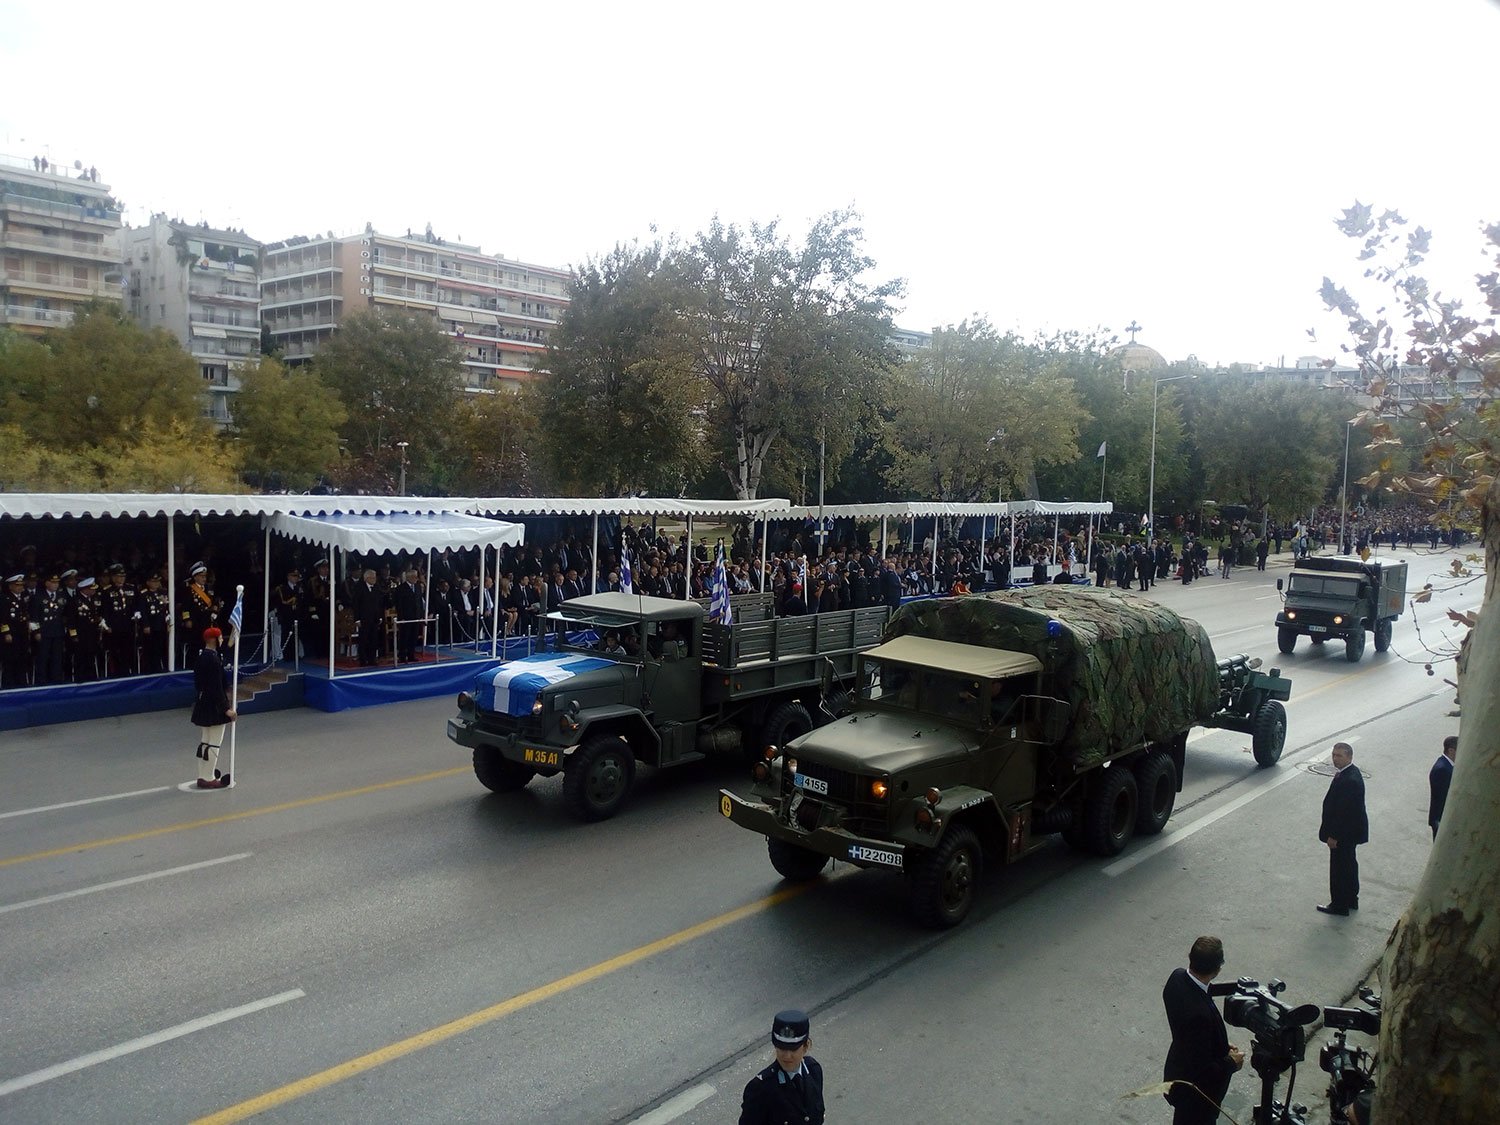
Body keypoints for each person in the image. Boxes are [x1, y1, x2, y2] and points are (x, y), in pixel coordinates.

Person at [1162, 936, 1245, 1124]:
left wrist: (1218, 1044)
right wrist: (1231, 1062)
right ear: (1217, 969)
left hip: (1177, 1072)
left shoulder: (1176, 979)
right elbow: (1203, 1072)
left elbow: (1194, 1043)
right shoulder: (1200, 1016)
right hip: (1197, 1097)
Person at [739, 1008, 825, 1125]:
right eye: (782, 1048)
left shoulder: (814, 1071)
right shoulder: (760, 1088)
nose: (787, 1056)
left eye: (793, 1049)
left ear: (806, 1046)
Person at [1318, 742, 1368, 915]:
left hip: (1343, 835)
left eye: (1339, 756)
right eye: (1333, 755)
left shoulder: (1349, 780)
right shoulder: (1348, 773)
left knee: (1339, 869)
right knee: (1349, 866)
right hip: (1350, 833)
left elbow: (1343, 814)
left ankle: (1339, 905)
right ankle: (1351, 899)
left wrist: (1333, 836)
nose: (1335, 758)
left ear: (1349, 757)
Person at [190, 627, 235, 789]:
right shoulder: (214, 661)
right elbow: (216, 687)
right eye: (220, 637)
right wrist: (226, 709)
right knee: (214, 742)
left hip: (203, 703)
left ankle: (203, 774)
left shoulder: (201, 657)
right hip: (214, 706)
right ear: (214, 640)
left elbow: (199, 684)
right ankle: (208, 777)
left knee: (205, 741)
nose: (222, 640)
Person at [351, 569, 388, 667]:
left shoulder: (376, 588)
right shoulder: (359, 588)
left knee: (373, 639)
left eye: (375, 577)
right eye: (372, 577)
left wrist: (380, 616)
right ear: (366, 578)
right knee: (363, 639)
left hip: (375, 618)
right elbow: (356, 604)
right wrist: (357, 619)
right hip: (364, 619)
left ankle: (372, 659)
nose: (374, 579)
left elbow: (379, 603)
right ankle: (363, 660)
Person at [1428, 734, 1457, 838]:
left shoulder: (1448, 765)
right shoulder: (1442, 769)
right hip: (1441, 819)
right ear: (1451, 751)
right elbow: (1443, 797)